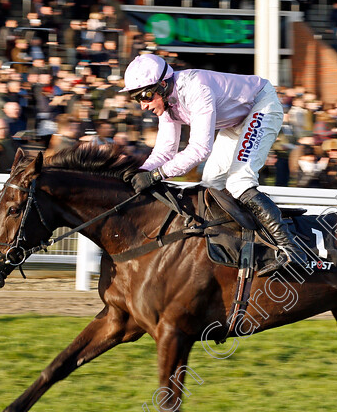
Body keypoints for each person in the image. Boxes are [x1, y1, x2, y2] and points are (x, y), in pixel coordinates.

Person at [121, 53, 308, 274]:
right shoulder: (167, 101)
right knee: (211, 183)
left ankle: (292, 250)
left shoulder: (196, 88)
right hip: (235, 121)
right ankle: (244, 243)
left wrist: (155, 176)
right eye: (137, 99)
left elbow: (200, 149)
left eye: (145, 96)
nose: (143, 105)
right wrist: (140, 172)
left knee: (239, 180)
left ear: (162, 85)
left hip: (261, 105)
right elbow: (164, 151)